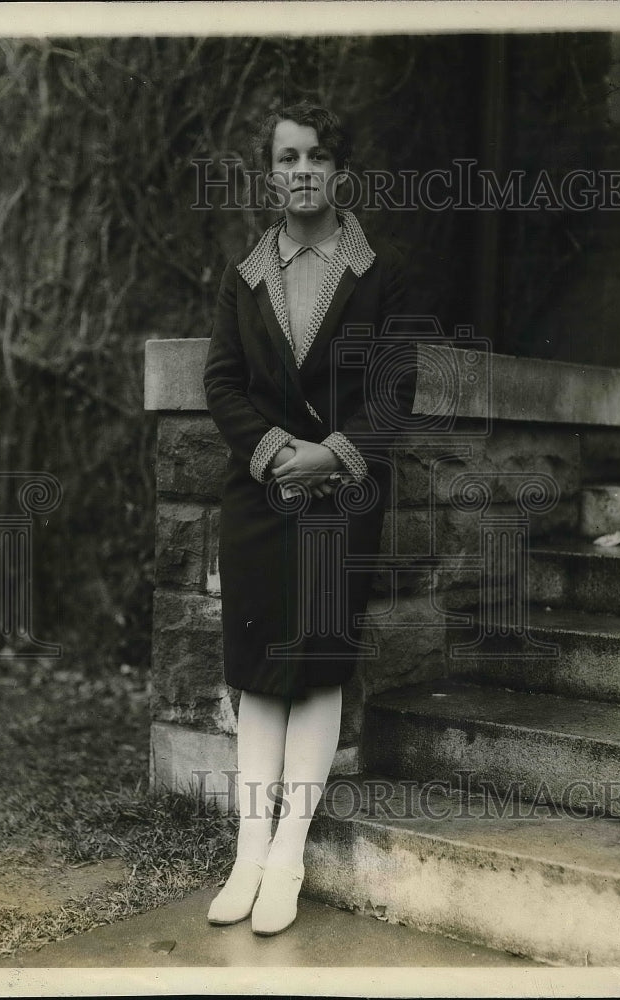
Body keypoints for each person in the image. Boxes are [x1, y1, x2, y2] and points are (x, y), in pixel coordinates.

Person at [203, 102, 415, 936]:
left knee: (318, 665)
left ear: (338, 172)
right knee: (258, 668)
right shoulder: (244, 274)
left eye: (316, 157)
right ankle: (248, 852)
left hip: (340, 496)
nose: (300, 170)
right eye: (286, 157)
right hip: (259, 497)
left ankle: (289, 853)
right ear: (270, 172)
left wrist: (328, 456)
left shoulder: (377, 273)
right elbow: (222, 383)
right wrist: (271, 454)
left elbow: (393, 391)